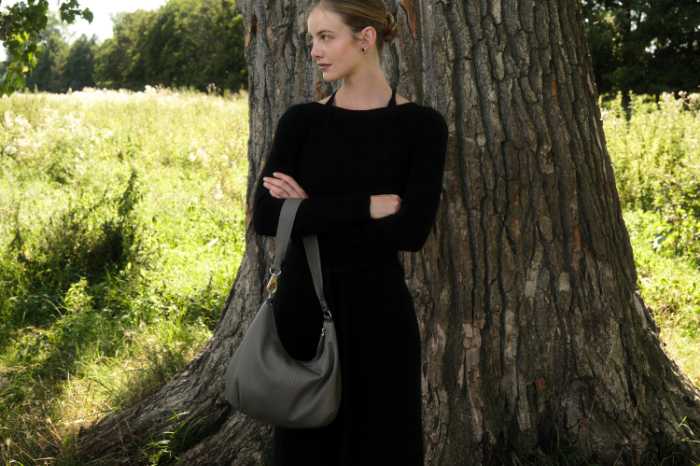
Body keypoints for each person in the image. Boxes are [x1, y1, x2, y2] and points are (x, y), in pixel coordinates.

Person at [250, 1, 448, 465]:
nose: (314, 51)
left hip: (380, 316)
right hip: (304, 308)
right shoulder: (301, 122)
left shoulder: (421, 127)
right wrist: (366, 207)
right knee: (305, 453)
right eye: (312, 39)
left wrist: (307, 209)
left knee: (383, 447)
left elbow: (411, 232)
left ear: (365, 38)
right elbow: (267, 216)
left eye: (326, 37)